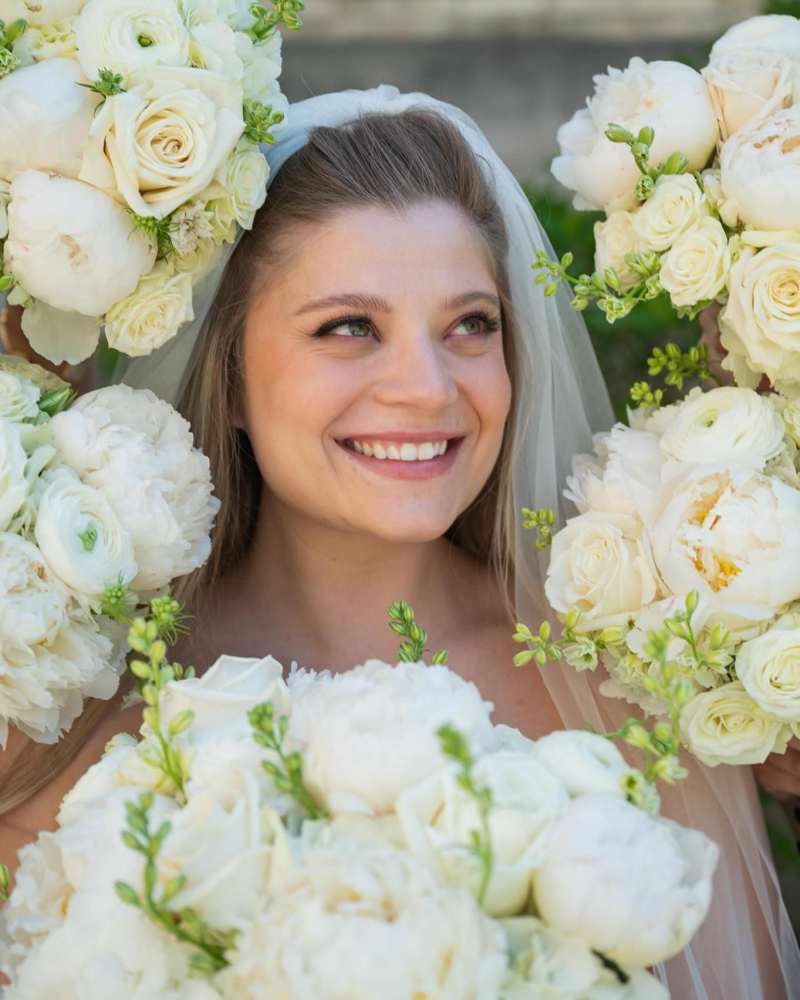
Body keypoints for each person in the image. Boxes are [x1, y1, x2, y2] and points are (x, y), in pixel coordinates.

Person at [1, 86, 798, 998]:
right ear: (230, 374)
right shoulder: (77, 723)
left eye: (470, 326)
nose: (426, 387)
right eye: (349, 328)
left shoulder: (625, 697)